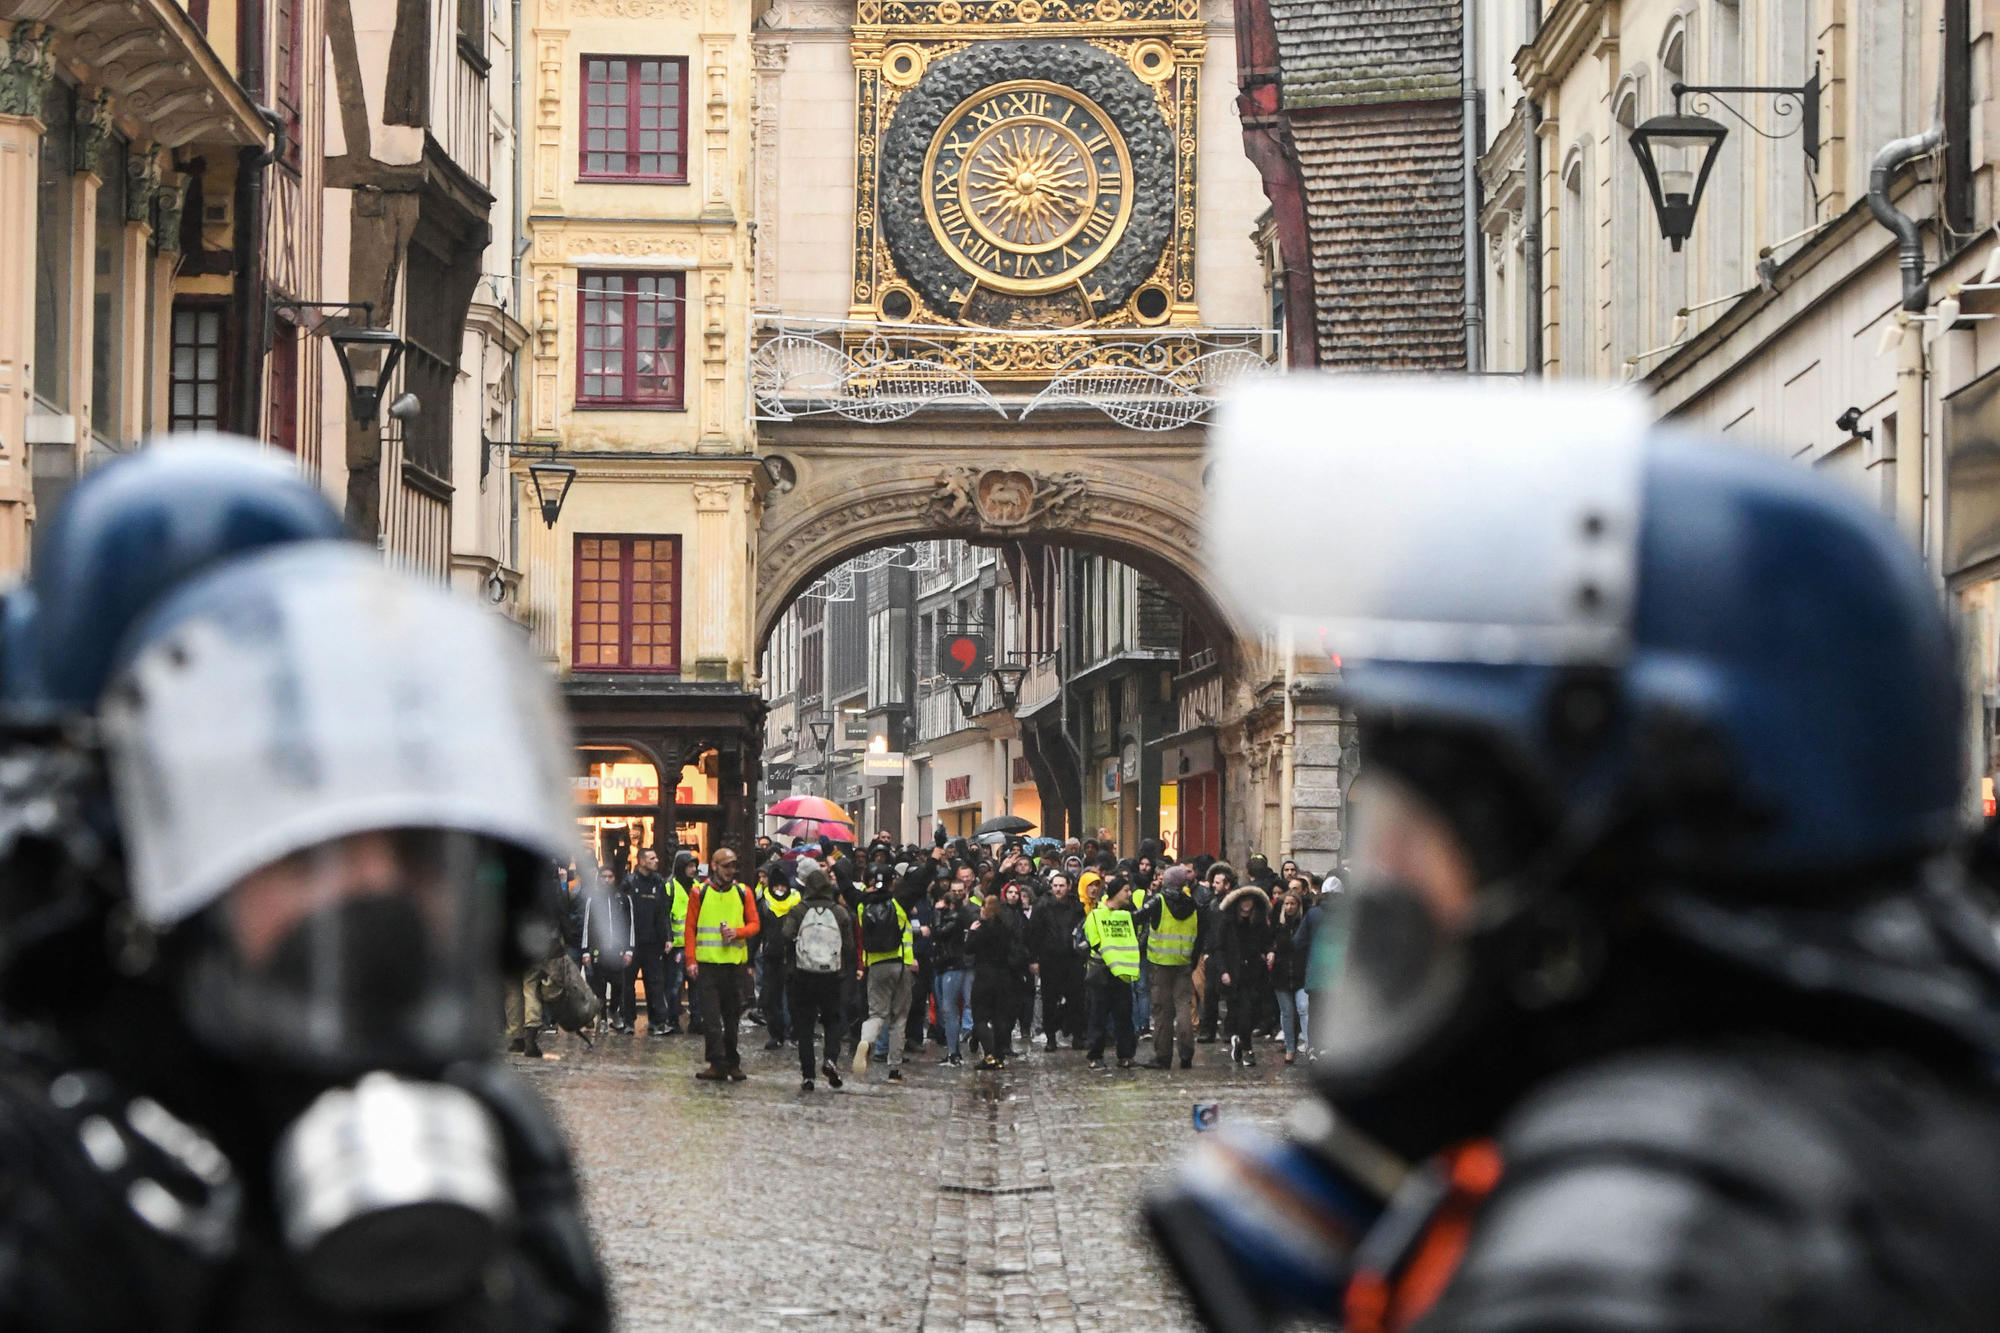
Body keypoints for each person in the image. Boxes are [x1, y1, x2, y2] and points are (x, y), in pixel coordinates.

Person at [1151, 379, 2000, 1332]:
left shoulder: (1631, 1262)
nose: (1395, 885)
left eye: (1425, 833)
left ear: (1608, 839)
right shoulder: (1900, 1086)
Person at [0, 472, 607, 1328]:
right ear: (128, 873)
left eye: (415, 844)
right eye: (297, 848)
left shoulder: (500, 1141)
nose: (374, 886)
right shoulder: (39, 1183)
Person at [683, 847, 760, 1081]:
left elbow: (755, 924)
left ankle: (732, 1062)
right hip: (708, 966)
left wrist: (737, 932)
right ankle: (717, 1063)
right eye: (726, 866)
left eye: (733, 866)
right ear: (714, 866)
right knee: (711, 1018)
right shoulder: (699, 892)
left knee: (732, 1018)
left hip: (734, 966)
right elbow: (690, 928)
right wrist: (691, 960)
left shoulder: (743, 892)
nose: (730, 870)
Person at [783, 866, 854, 1092]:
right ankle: (830, 1059)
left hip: (803, 974)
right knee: (832, 1020)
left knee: (804, 1024)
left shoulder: (799, 910)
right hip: (831, 975)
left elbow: (786, 934)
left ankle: (808, 1075)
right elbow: (849, 945)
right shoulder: (839, 912)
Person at [1139, 865, 1204, 1070]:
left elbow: (1137, 917)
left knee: (1163, 1011)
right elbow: (1200, 934)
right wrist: (1193, 959)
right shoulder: (1193, 904)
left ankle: (1163, 1056)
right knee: (1184, 1007)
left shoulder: (1158, 901)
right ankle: (1186, 1054)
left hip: (1160, 963)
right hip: (1183, 962)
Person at [853, 870, 913, 1083]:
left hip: (875, 965)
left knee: (876, 1014)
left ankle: (866, 1041)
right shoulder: (898, 905)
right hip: (900, 964)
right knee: (899, 1018)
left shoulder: (862, 906)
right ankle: (894, 1069)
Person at [1084, 876, 1141, 1069]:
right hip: (1101, 972)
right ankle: (1095, 1055)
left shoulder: (1126, 915)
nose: (1129, 894)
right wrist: (1114, 960)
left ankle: (1126, 1055)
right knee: (1098, 1014)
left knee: (1124, 1015)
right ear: (1115, 892)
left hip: (1122, 972)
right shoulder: (1096, 915)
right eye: (1126, 890)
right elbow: (1095, 942)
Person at [1214, 883, 1273, 1066]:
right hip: (1234, 974)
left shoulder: (1259, 922)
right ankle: (1248, 1049)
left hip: (1255, 973)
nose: (1247, 903)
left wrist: (1270, 952)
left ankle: (1240, 1041)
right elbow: (1219, 948)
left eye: (1250, 900)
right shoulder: (1228, 922)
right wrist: (1223, 971)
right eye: (1243, 900)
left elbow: (1267, 942)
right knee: (1242, 1012)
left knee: (1254, 1012)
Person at [1027, 869, 1086, 1050]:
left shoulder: (1077, 906)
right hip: (1050, 959)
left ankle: (1077, 1036)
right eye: (1055, 886)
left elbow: (1082, 930)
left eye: (1061, 885)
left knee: (1076, 999)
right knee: (1049, 1000)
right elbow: (1033, 934)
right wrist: (1034, 959)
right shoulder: (1042, 906)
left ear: (1069, 887)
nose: (1058, 889)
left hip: (1073, 959)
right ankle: (1051, 1038)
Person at [622, 847, 672, 1036]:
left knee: (655, 983)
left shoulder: (658, 882)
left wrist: (667, 937)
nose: (656, 860)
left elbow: (663, 912)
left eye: (656, 857)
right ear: (642, 861)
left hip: (652, 943)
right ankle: (628, 1021)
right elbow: (623, 914)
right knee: (628, 984)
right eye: (652, 858)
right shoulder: (629, 882)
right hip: (632, 943)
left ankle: (658, 1021)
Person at [928, 876, 976, 1066]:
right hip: (943, 964)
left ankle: (954, 1053)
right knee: (945, 1008)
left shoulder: (956, 918)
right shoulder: (952, 916)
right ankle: (952, 1050)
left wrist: (937, 914)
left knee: (949, 1008)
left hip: (953, 965)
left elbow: (939, 932)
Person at [582, 864, 635, 1032]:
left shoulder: (623, 899)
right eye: (603, 876)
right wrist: (586, 951)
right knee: (599, 987)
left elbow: (630, 925)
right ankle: (603, 1017)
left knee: (619, 985)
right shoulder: (593, 899)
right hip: (599, 950)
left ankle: (613, 1010)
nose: (606, 880)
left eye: (610, 877)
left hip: (617, 951)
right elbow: (587, 925)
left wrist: (629, 949)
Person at [966, 893, 1014, 1070]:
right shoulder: (1005, 929)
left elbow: (969, 949)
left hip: (984, 977)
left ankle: (990, 1055)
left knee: (980, 1017)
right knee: (999, 1018)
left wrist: (971, 932)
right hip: (1003, 977)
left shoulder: (981, 929)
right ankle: (999, 1055)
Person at [757, 861, 802, 1050]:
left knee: (792, 999)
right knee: (770, 998)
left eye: (783, 886)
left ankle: (794, 1032)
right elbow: (758, 930)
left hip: (792, 958)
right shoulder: (765, 903)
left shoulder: (797, 903)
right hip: (771, 957)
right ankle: (776, 1033)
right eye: (776, 886)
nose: (780, 890)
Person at [1194, 862, 1235, 1043]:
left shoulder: (1232, 905)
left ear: (1227, 884)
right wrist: (1206, 950)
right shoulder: (1211, 904)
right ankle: (1208, 1030)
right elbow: (1207, 929)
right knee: (1210, 993)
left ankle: (1230, 1030)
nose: (1214, 885)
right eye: (1214, 882)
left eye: (1218, 883)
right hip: (1212, 953)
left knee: (1231, 994)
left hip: (1229, 953)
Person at [662, 850, 699, 1034]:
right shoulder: (670, 886)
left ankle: (696, 1020)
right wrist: (667, 938)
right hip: (676, 945)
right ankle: (673, 1019)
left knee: (696, 984)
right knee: (675, 985)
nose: (693, 870)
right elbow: (664, 916)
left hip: (695, 944)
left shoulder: (698, 886)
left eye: (694, 866)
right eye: (689, 866)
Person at [1270, 890, 1307, 1066]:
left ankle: (1309, 1045)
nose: (1289, 907)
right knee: (1287, 1012)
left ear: (1298, 905)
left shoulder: (1304, 924)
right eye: (1287, 903)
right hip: (1281, 974)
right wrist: (1271, 952)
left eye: (1293, 903)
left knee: (1303, 1007)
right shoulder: (1277, 925)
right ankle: (1290, 1048)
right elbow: (1268, 943)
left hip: (1301, 973)